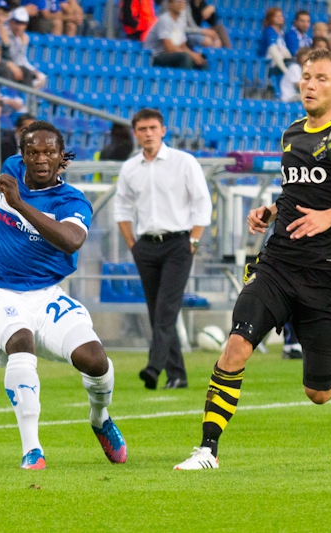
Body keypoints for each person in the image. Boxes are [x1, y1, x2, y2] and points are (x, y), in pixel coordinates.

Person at [173, 49, 331, 470]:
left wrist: (329, 216)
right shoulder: (292, 133)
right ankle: (207, 450)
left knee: (319, 393)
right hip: (279, 263)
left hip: (329, 273)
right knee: (236, 345)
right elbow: (297, 190)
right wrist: (272, 210)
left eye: (321, 78)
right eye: (306, 76)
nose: (310, 84)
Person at [0, 120, 127, 469]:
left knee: (95, 360)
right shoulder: (11, 170)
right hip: (0, 293)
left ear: (63, 158)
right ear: (22, 156)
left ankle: (100, 418)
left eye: (49, 152)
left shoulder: (71, 200)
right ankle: (32, 450)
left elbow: (72, 240)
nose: (41, 158)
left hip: (46, 295)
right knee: (20, 343)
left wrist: (18, 204)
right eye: (33, 152)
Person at [114, 108, 212, 391]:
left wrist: (193, 241)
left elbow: (202, 203)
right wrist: (132, 245)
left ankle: (154, 367)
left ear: (163, 130)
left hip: (179, 244)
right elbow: (121, 207)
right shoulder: (130, 168)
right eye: (142, 129)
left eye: (152, 128)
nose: (148, 133)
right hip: (145, 246)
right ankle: (177, 375)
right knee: (157, 311)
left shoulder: (184, 162)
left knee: (166, 309)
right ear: (135, 133)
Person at [143, 0, 206, 70]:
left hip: (172, 54)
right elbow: (169, 48)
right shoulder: (164, 20)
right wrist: (192, 55)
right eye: (178, 2)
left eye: (183, 2)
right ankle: (181, 80)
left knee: (202, 60)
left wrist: (195, 55)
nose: (181, 4)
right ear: (170, 4)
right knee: (185, 57)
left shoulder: (180, 22)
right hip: (156, 55)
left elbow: (183, 46)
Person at [7, 7, 48, 89]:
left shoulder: (22, 37)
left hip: (20, 65)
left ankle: (29, 99)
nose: (20, 27)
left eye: (23, 24)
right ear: (11, 22)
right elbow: (11, 57)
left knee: (41, 77)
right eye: (17, 23)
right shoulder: (5, 34)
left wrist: (33, 70)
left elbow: (22, 59)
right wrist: (22, 44)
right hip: (9, 66)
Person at [259, 7, 291, 76]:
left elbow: (284, 50)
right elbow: (273, 50)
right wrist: (285, 70)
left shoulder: (281, 33)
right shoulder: (269, 31)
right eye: (277, 16)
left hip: (280, 63)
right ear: (271, 18)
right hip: (269, 64)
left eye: (281, 16)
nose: (280, 18)